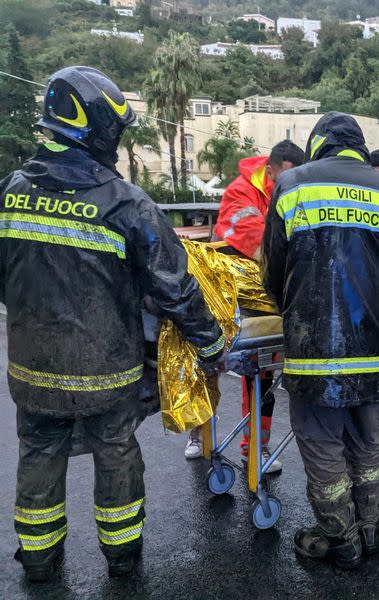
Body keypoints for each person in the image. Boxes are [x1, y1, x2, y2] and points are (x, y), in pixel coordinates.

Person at [1, 67, 223, 582]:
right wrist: (209, 343)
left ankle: (37, 560)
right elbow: (174, 286)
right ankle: (123, 560)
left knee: (37, 451)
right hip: (106, 370)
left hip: (31, 370)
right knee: (116, 450)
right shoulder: (125, 202)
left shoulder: (10, 189)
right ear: (98, 127)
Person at [263, 112, 379, 569]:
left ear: (317, 146)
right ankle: (369, 529)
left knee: (322, 442)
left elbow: (273, 270)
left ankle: (339, 537)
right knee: (371, 442)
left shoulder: (292, 186)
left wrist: (291, 310)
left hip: (318, 352)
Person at [184, 140, 304, 473]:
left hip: (267, 290)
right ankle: (199, 432)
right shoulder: (242, 192)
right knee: (207, 362)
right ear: (271, 170)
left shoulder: (289, 191)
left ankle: (256, 446)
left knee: (263, 369)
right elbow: (253, 238)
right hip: (230, 288)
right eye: (284, 177)